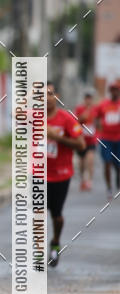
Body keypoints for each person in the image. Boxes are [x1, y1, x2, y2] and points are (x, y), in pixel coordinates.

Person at [46, 82, 85, 267]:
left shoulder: (66, 119)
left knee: (57, 215)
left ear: (56, 96)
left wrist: (58, 138)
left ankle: (55, 241)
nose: (46, 98)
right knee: (36, 212)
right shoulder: (33, 118)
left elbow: (81, 145)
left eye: (50, 94)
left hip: (61, 174)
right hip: (38, 174)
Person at [94, 80, 120, 200]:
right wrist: (98, 128)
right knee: (107, 162)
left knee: (117, 164)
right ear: (110, 91)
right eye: (112, 89)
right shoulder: (103, 105)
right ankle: (109, 188)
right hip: (106, 139)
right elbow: (96, 117)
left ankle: (118, 179)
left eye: (116, 89)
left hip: (118, 139)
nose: (114, 91)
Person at [75, 90, 97, 191]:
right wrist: (83, 115)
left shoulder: (95, 109)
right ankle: (82, 179)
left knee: (90, 160)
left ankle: (89, 181)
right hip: (81, 140)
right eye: (87, 98)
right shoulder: (80, 108)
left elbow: (98, 121)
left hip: (91, 140)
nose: (88, 100)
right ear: (85, 99)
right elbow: (76, 121)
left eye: (90, 98)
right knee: (82, 163)